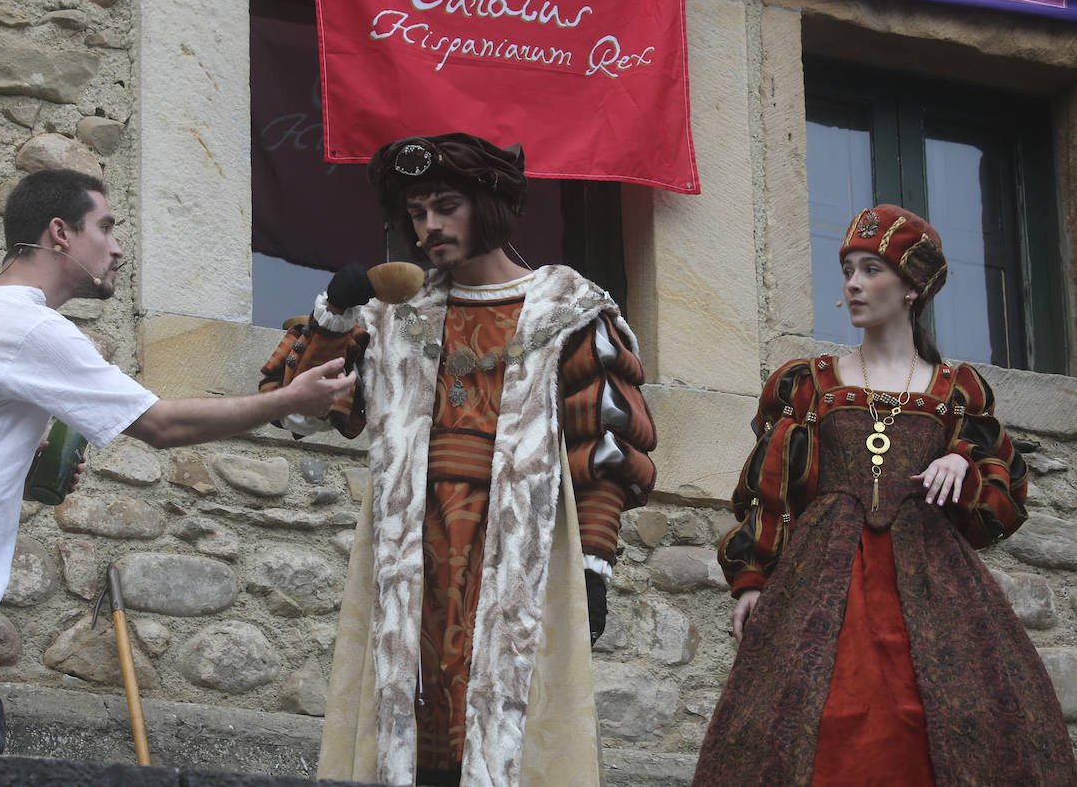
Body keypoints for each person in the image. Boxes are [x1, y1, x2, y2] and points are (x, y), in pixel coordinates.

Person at [0, 168, 356, 753]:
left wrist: (18, 474)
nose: (118, 247)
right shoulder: (30, 326)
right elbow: (162, 426)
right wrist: (289, 399)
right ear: (60, 233)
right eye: (105, 226)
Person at [259, 133, 657, 787]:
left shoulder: (567, 308)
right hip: (413, 558)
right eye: (416, 213)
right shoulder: (392, 315)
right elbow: (300, 413)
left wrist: (594, 561)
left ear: (490, 205)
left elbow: (604, 444)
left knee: (508, 735)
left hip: (517, 563)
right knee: (411, 733)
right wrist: (332, 317)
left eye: (447, 206)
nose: (429, 226)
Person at [695, 205, 1076, 785]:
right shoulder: (810, 383)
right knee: (813, 722)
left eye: (871, 269)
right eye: (848, 268)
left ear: (913, 287)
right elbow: (769, 490)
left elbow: (1002, 503)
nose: (852, 283)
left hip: (934, 582)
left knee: (944, 720)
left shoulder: (957, 392)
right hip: (819, 582)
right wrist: (751, 579)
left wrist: (962, 460)